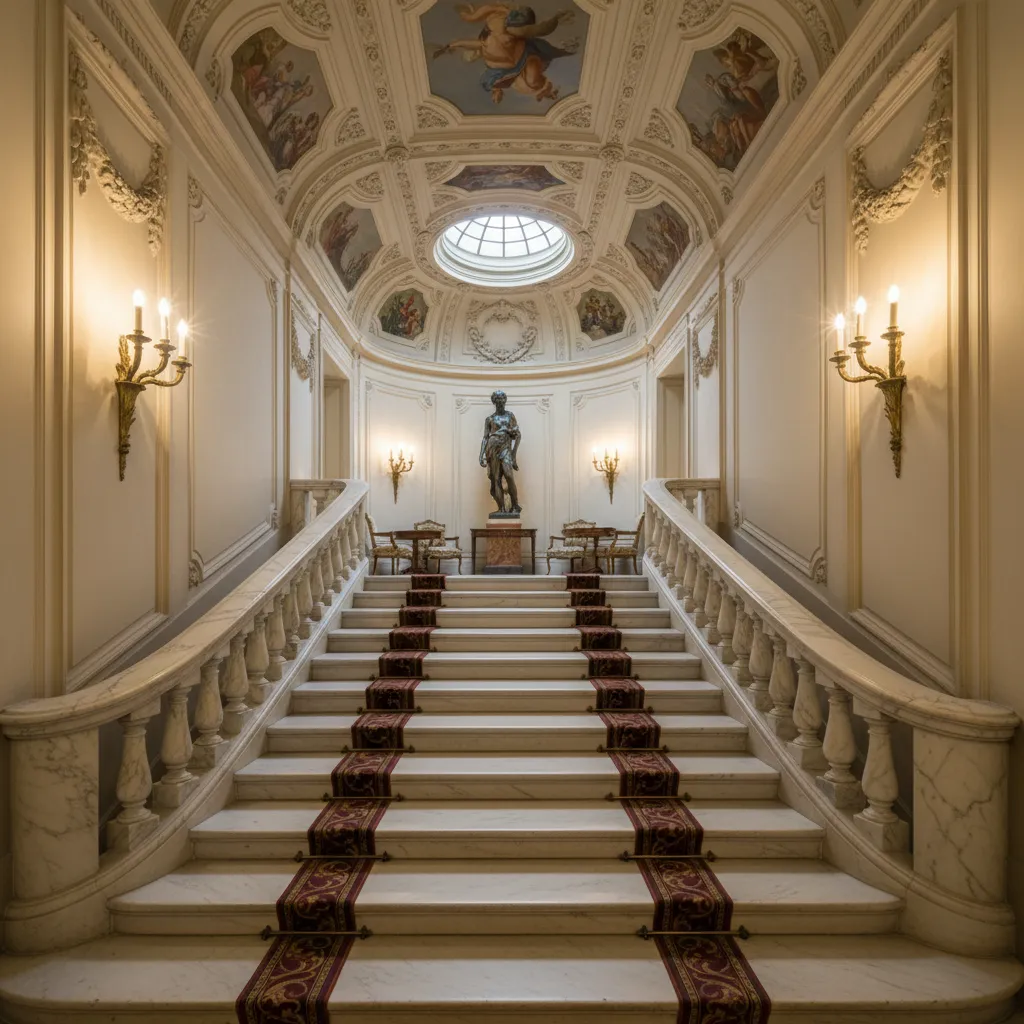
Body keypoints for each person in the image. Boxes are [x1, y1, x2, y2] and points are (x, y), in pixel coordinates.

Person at [434, 4, 577, 105]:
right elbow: (465, 43)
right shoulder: (486, 45)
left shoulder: (501, 22)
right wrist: (449, 46)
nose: (472, 57)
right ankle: (543, 91)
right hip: (504, 69)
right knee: (495, 83)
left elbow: (538, 30)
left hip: (523, 57)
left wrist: (469, 16)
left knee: (532, 80)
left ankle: (546, 88)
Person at [479, 390, 521, 514]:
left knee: (508, 475)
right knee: (495, 478)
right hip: (492, 448)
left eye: (502, 398)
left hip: (505, 447)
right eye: (497, 399)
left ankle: (515, 505)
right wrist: (481, 454)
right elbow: (485, 437)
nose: (500, 401)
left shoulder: (510, 416)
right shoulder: (490, 419)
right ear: (494, 401)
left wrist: (514, 454)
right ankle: (501, 509)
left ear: (505, 400)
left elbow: (517, 434)